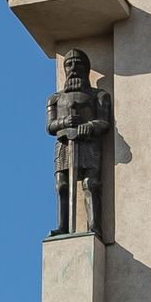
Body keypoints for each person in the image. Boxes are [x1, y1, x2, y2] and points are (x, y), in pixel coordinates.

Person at [47, 50, 113, 236]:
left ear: (87, 68)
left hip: (88, 144)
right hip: (64, 144)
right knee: (61, 185)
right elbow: (50, 126)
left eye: (78, 64)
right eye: (69, 64)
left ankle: (94, 226)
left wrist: (90, 126)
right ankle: (63, 226)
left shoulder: (99, 96)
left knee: (90, 183)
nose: (74, 68)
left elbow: (104, 121)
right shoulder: (55, 98)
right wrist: (63, 122)